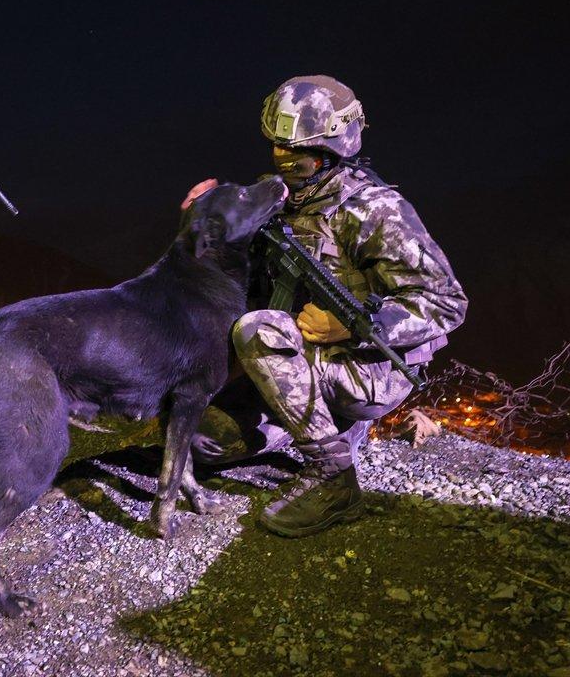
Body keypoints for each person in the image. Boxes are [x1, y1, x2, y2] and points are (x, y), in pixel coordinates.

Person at [182, 75, 467, 537]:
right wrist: (205, 220)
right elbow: (233, 277)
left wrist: (354, 325)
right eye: (276, 147)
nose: (282, 157)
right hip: (294, 359)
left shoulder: (375, 210)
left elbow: (446, 302)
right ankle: (321, 424)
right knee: (201, 442)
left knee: (258, 329)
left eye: (296, 152)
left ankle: (334, 477)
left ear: (331, 151)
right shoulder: (279, 199)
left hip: (366, 367)